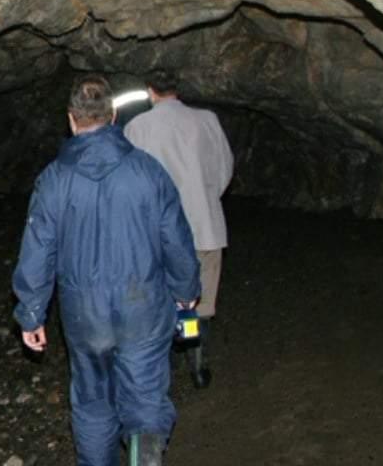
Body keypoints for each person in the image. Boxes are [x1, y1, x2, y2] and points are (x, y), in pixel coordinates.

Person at [12, 73, 201, 466]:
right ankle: (145, 456)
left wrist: (31, 312)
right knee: (145, 394)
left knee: (94, 400)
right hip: (143, 306)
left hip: (85, 313)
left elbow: (38, 249)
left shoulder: (53, 180)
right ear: (113, 115)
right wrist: (186, 289)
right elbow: (176, 239)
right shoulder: (149, 171)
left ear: (71, 119)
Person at [123, 69, 233, 389]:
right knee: (200, 302)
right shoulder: (207, 120)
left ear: (149, 91)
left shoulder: (136, 127)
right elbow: (224, 167)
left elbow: (130, 181)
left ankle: (157, 371)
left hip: (155, 233)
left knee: (157, 299)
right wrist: (207, 196)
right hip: (205, 225)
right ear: (177, 90)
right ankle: (196, 362)